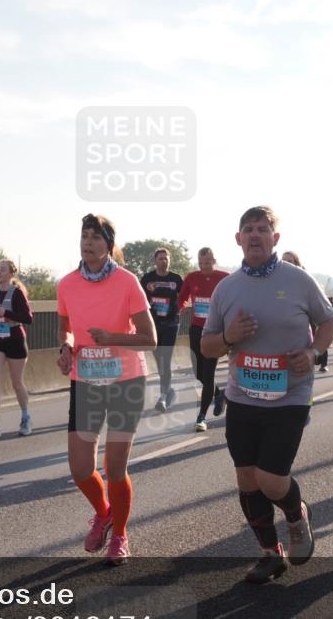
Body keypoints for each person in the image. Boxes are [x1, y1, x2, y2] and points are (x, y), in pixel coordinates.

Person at [200, 206, 333, 583]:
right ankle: (269, 554)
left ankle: (296, 514)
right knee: (247, 478)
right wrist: (229, 336)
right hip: (242, 396)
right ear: (238, 239)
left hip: (289, 395)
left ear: (275, 238)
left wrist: (313, 352)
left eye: (263, 229)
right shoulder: (226, 288)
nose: (255, 235)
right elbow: (207, 347)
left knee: (271, 479)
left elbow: (330, 322)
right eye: (248, 229)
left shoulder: (299, 280)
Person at [57, 213, 157, 565]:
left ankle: (120, 535)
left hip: (125, 381)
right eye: (84, 236)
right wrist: (66, 347)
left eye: (96, 237)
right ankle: (104, 513)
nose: (88, 242)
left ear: (109, 245)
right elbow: (66, 328)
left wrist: (112, 337)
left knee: (115, 468)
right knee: (80, 468)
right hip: (86, 381)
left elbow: (149, 338)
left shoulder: (127, 282)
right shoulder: (67, 284)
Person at [178, 248, 229, 431]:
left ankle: (201, 417)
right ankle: (219, 394)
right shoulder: (192, 277)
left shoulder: (224, 278)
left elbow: (235, 298)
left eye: (207, 262)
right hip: (196, 329)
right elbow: (182, 298)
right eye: (200, 263)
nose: (204, 266)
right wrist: (182, 308)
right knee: (198, 373)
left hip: (214, 332)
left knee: (208, 375)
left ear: (214, 261)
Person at [0, 259, 33, 439]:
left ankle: (26, 418)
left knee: (16, 383)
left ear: (11, 273)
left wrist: (6, 313)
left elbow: (28, 318)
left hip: (14, 339)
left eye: (2, 269)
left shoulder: (17, 293)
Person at [140, 248, 184, 412]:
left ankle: (163, 397)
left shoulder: (176, 279)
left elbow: (184, 296)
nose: (164, 261)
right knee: (160, 361)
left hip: (171, 325)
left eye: (166, 258)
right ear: (155, 261)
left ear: (169, 261)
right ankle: (168, 389)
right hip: (153, 325)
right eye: (160, 258)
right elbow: (139, 299)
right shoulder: (147, 279)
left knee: (165, 360)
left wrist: (179, 308)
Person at [281, 251, 330, 373]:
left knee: (301, 368)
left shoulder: (305, 282)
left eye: (289, 261)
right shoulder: (276, 282)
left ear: (297, 263)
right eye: (283, 261)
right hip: (282, 332)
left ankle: (322, 362)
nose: (286, 264)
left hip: (304, 330)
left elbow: (328, 319)